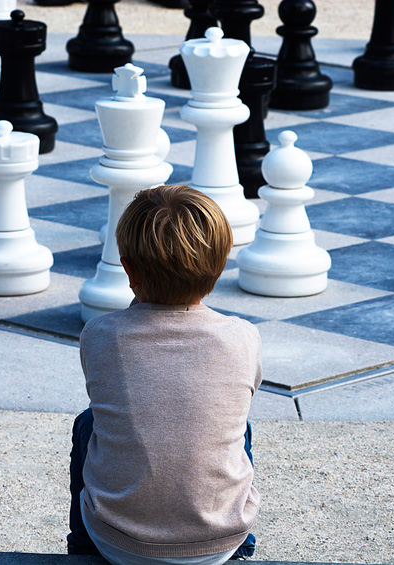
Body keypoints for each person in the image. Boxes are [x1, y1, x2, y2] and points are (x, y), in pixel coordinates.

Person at [67, 185, 262, 564]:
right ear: (220, 267)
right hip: (219, 545)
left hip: (118, 543)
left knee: (88, 423)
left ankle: (82, 550)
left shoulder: (99, 334)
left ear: (128, 269)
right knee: (238, 426)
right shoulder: (243, 335)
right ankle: (244, 549)